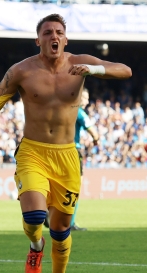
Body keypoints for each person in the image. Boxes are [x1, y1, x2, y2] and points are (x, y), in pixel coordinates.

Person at [0, 14, 132, 273]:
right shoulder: (21, 71)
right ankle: (35, 247)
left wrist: (95, 71)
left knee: (61, 229)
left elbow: (125, 70)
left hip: (67, 155)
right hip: (33, 151)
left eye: (58, 32)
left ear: (65, 39)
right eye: (47, 32)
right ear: (38, 40)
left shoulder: (80, 62)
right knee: (34, 217)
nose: (53, 36)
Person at [43, 88, 99, 231]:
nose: (87, 101)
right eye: (85, 98)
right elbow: (94, 133)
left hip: (58, 151)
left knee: (57, 184)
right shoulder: (80, 113)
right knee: (74, 188)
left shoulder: (61, 110)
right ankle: (70, 223)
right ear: (78, 98)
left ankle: (47, 212)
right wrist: (96, 140)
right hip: (73, 151)